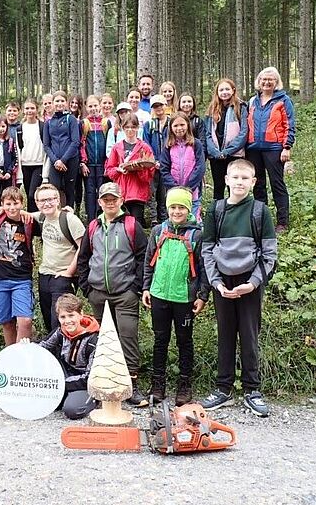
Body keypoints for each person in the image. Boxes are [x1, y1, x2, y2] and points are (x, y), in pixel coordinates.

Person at [199, 158, 277, 417]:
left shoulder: (260, 211)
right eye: (236, 177)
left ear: (254, 182)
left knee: (249, 335)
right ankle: (223, 389)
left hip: (249, 283)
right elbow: (207, 250)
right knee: (225, 335)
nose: (240, 182)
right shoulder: (216, 210)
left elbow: (269, 254)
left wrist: (253, 284)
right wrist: (216, 283)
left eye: (246, 178)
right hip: (223, 282)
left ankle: (252, 389)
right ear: (226, 180)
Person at [76, 182, 148, 406]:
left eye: (113, 199)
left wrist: (136, 287)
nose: (110, 202)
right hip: (98, 292)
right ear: (99, 202)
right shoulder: (93, 226)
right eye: (105, 199)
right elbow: (83, 258)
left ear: (121, 200)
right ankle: (103, 384)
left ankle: (130, 386)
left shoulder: (131, 225)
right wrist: (86, 288)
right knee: (102, 340)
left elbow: (143, 257)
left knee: (127, 336)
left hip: (125, 292)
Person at [142, 187, 209, 407]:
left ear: (188, 209)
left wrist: (202, 295)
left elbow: (204, 267)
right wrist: (146, 288)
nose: (177, 211)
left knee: (184, 341)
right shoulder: (158, 231)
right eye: (173, 207)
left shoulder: (197, 234)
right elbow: (148, 261)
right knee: (160, 341)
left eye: (181, 207)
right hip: (159, 293)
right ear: (168, 208)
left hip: (184, 298)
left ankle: (184, 385)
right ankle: (157, 384)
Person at [245, 67, 295, 233]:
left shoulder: (283, 100)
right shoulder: (253, 101)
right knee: (258, 184)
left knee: (277, 184)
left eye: (270, 80)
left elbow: (289, 124)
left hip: (274, 148)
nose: (266, 82)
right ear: (259, 82)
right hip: (253, 149)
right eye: (263, 80)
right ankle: (262, 219)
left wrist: (286, 147)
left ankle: (283, 222)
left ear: (276, 82)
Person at [35, 294, 99, 420]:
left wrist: (59, 384)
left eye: (71, 315)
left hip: (86, 382)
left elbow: (89, 377)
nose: (67, 321)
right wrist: (26, 347)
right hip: (65, 375)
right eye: (63, 317)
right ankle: (63, 395)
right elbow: (41, 347)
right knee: (42, 403)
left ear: (80, 314)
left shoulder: (94, 340)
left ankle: (94, 400)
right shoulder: (60, 332)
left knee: (72, 410)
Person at [0, 186, 39, 345]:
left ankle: (20, 359)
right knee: (6, 321)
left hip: (21, 279)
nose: (12, 208)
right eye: (8, 204)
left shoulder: (29, 222)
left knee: (25, 321)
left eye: (16, 204)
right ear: (2, 204)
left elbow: (48, 217)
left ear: (22, 204)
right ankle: (9, 357)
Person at [33, 183, 85, 333]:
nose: (47, 203)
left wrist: (69, 272)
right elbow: (18, 213)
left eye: (50, 199)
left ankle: (65, 355)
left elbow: (83, 247)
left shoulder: (69, 219)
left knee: (60, 322)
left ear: (58, 200)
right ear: (37, 203)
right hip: (45, 274)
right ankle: (53, 354)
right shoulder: (41, 217)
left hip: (63, 276)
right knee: (48, 322)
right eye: (42, 200)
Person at [105, 114, 156, 229]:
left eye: (133, 127)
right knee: (121, 225)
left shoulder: (144, 148)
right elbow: (110, 170)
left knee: (135, 224)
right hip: (121, 192)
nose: (130, 130)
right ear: (123, 128)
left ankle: (137, 246)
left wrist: (139, 169)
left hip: (137, 192)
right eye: (127, 127)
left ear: (138, 128)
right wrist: (119, 170)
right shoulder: (117, 147)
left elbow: (149, 174)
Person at [205, 78, 248, 201]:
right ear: (217, 92)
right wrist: (214, 152)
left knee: (234, 187)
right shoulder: (212, 109)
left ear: (233, 90)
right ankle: (218, 213)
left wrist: (227, 151)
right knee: (218, 186)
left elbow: (243, 132)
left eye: (227, 89)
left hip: (234, 155)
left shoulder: (241, 107)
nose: (224, 92)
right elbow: (207, 133)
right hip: (216, 156)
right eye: (221, 89)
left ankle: (234, 213)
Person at [160, 112, 206, 222]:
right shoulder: (168, 146)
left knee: (193, 218)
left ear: (188, 125)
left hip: (192, 190)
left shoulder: (196, 144)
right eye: (175, 125)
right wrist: (174, 186)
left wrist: (188, 187)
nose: (179, 128)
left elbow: (200, 167)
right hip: (173, 190)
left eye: (182, 125)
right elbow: (164, 168)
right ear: (171, 128)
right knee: (176, 217)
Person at [43, 91, 81, 208]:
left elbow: (75, 142)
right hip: (55, 162)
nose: (59, 103)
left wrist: (63, 160)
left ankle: (70, 215)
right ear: (53, 103)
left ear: (66, 103)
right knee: (55, 189)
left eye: (62, 101)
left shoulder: (71, 119)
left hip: (70, 160)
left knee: (69, 190)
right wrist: (56, 161)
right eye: (57, 101)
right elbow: (46, 145)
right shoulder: (49, 122)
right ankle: (55, 214)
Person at [81, 95, 110, 220]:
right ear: (86, 108)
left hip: (103, 164)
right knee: (90, 192)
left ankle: (103, 216)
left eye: (95, 106)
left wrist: (108, 163)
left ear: (100, 106)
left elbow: (110, 144)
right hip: (89, 165)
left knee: (102, 191)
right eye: (90, 106)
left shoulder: (105, 123)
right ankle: (91, 218)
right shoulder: (84, 123)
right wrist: (83, 162)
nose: (93, 108)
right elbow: (81, 143)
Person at [143, 94, 170, 224]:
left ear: (166, 105)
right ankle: (154, 218)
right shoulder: (149, 125)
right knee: (152, 191)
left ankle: (164, 217)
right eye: (155, 106)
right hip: (153, 164)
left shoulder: (172, 123)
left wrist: (164, 161)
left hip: (168, 164)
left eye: (160, 105)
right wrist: (154, 160)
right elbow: (146, 144)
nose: (158, 108)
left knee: (164, 192)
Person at [18, 98, 46, 212]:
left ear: (37, 110)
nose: (30, 111)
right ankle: (30, 222)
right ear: (23, 111)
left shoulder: (42, 126)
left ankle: (36, 220)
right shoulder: (20, 128)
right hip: (25, 165)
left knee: (32, 195)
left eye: (32, 108)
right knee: (29, 194)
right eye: (27, 108)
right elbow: (19, 147)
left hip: (39, 164)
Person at [177, 91, 206, 158]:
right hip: (178, 156)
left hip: (194, 154)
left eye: (189, 101)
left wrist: (201, 157)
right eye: (184, 102)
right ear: (179, 104)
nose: (186, 104)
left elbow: (202, 141)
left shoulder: (198, 121)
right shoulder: (175, 120)